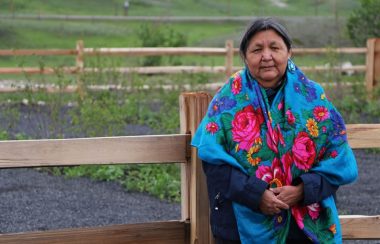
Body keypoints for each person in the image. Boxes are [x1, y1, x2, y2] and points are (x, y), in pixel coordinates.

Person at [191, 18, 358, 244]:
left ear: (289, 52)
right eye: (257, 49)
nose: (266, 56)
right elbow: (214, 163)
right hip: (241, 226)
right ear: (245, 56)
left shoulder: (312, 99)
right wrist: (256, 194)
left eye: (275, 48)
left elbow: (337, 161)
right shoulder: (228, 101)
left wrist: (301, 190)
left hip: (303, 230)